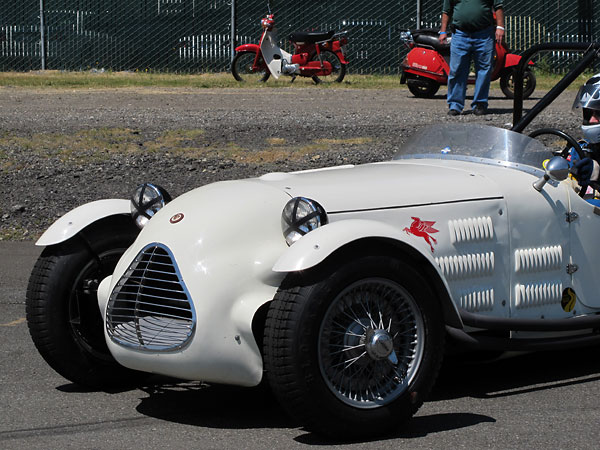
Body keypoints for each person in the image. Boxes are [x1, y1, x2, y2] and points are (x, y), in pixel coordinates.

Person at [438, 0, 505, 116]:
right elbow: (446, 11)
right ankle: (455, 105)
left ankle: (480, 103)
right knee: (457, 70)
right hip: (460, 34)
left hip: (484, 34)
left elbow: (498, 6)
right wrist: (443, 31)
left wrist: (500, 27)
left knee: (484, 69)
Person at [570, 73, 600, 197]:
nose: (592, 121)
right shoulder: (581, 149)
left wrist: (597, 173)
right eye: (588, 113)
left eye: (599, 113)